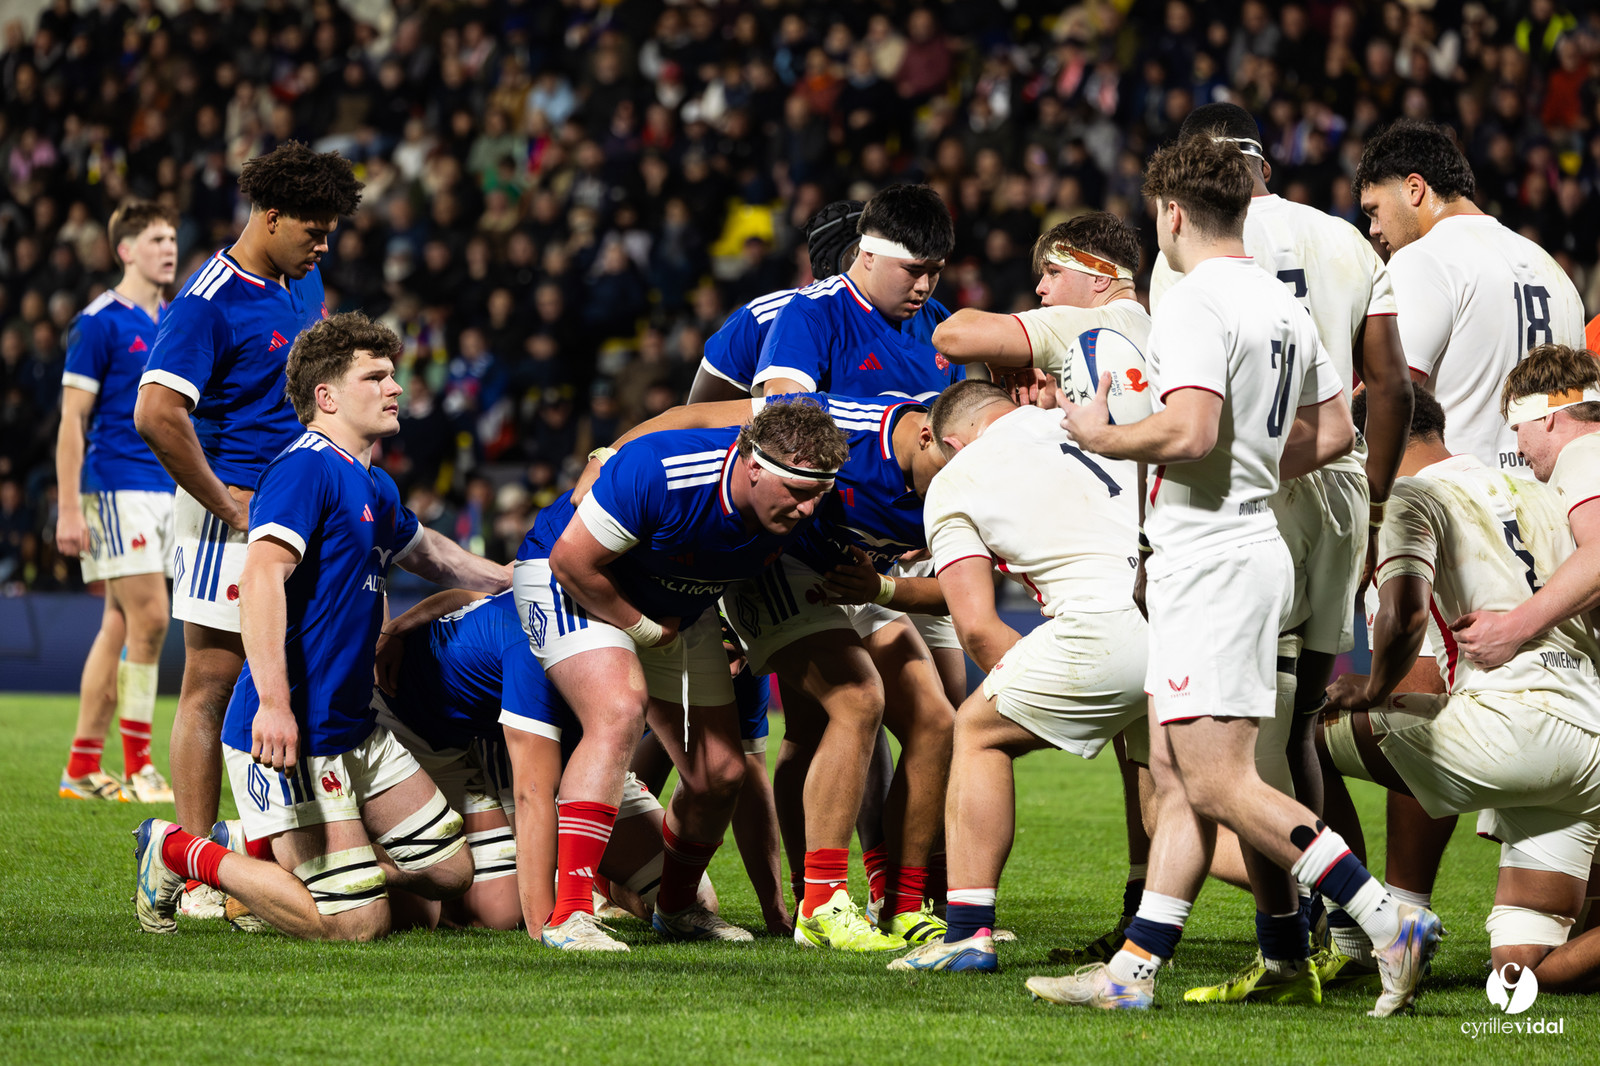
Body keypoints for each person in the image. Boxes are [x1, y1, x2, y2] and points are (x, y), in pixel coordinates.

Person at [1028, 133, 1436, 1016]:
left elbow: (1189, 433)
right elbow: (1334, 433)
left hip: (1209, 556)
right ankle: (1132, 974)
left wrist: (1100, 434)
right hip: (1249, 546)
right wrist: (1253, 469)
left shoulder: (1192, 299)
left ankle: (1383, 917)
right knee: (1176, 773)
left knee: (1218, 781)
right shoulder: (1278, 300)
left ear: (1172, 215)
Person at [1145, 103, 1414, 1004]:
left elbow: (1184, 417)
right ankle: (1319, 935)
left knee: (1218, 760)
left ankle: (1311, 932)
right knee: (1288, 730)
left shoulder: (1189, 275)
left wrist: (1102, 435)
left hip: (1222, 509)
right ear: (1261, 165)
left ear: (1183, 195)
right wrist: (1374, 502)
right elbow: (1381, 387)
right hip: (1322, 494)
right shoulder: (1342, 239)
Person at [132, 313, 510, 940]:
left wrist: (509, 577)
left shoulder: (371, 481)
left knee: (449, 875)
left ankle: (270, 856)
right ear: (326, 397)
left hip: (353, 728)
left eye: (393, 375)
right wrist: (275, 704)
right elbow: (258, 580)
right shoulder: (304, 467)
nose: (395, 389)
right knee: (357, 924)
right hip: (294, 734)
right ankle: (175, 850)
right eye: (376, 376)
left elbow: (432, 553)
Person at [577, 390, 957, 951]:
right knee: (854, 700)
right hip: (776, 563)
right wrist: (606, 456)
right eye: (959, 460)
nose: (966, 477)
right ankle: (822, 901)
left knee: (936, 721)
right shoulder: (846, 424)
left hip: (856, 577)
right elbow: (701, 416)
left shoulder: (982, 479)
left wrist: (885, 588)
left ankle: (899, 901)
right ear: (929, 435)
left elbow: (965, 592)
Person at [512, 399, 849, 949]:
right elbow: (572, 563)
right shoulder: (663, 471)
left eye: (819, 494)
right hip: (574, 578)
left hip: (679, 604)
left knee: (721, 774)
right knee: (619, 710)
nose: (809, 509)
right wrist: (645, 630)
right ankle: (569, 915)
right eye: (798, 491)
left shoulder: (795, 503)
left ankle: (676, 910)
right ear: (753, 465)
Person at [1323, 386, 1600, 994]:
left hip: (1510, 730)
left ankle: (1360, 923)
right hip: (1587, 743)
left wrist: (1371, 688)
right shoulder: (1544, 487)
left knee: (1293, 734)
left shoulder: (1412, 497)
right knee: (1521, 974)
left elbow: (1405, 617)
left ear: (1374, 444)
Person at [135, 142, 362, 852]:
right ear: (269, 216)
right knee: (212, 681)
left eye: (330, 232)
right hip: (227, 521)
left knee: (297, 673)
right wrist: (226, 505)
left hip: (299, 509)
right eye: (313, 231)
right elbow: (155, 412)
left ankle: (274, 849)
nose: (323, 246)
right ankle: (193, 864)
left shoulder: (302, 288)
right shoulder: (210, 301)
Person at [886, 380, 1146, 973]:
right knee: (1208, 794)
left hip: (1100, 627)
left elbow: (976, 628)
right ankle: (1354, 912)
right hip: (1175, 613)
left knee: (977, 729)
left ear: (950, 440)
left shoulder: (956, 476)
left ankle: (967, 936)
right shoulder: (1081, 422)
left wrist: (1049, 691)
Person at [371, 589, 720, 938]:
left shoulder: (674, 643)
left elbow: (481, 592)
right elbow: (532, 792)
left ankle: (596, 876)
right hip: (423, 728)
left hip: (505, 731)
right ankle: (361, 846)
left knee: (697, 901)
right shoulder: (540, 639)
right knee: (492, 910)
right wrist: (547, 928)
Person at [1353, 118, 1583, 476]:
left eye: (1374, 210)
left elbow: (1384, 402)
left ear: (1414, 188)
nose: (1374, 229)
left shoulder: (1422, 259)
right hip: (1549, 508)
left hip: (1464, 509)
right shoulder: (1553, 270)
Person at [55, 200, 179, 805]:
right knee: (151, 618)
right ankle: (139, 766)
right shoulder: (99, 322)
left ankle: (81, 767)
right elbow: (72, 423)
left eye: (173, 238)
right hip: (113, 486)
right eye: (156, 238)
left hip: (165, 490)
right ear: (125, 250)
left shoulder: (175, 322)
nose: (169, 248)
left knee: (121, 623)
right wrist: (69, 507)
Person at [1453, 344, 1600, 669]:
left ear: (1547, 417)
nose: (1518, 451)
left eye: (1518, 429)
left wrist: (1511, 629)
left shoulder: (1583, 453)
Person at [752, 183, 957, 403]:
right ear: (869, 255)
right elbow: (783, 416)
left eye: (934, 272)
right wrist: (893, 425)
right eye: (912, 270)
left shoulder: (941, 321)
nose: (924, 286)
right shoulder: (810, 313)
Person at [930, 212, 1148, 397]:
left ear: (1100, 277)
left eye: (1054, 272)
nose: (1040, 288)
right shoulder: (1151, 326)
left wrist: (997, 353)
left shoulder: (1081, 326)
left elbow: (949, 336)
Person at [690, 200, 864, 404]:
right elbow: (697, 419)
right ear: (828, 265)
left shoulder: (906, 317)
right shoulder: (760, 318)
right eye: (864, 255)